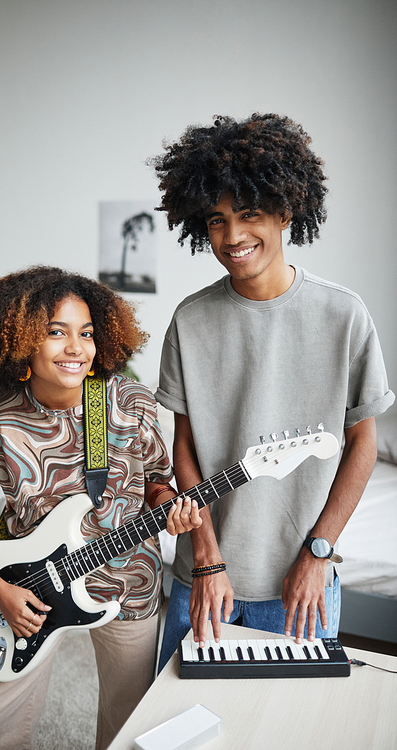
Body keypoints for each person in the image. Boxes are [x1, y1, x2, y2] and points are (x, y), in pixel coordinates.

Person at [150, 113, 395, 672]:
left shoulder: (344, 315)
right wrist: (208, 558)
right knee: (171, 719)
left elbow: (361, 445)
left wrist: (319, 552)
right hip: (205, 578)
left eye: (250, 214)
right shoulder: (190, 320)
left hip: (302, 580)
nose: (233, 237)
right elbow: (184, 449)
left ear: (286, 211)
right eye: (216, 220)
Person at [0, 265, 201, 750]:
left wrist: (172, 508)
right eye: (55, 333)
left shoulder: (127, 402)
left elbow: (158, 485)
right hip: (29, 588)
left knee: (129, 725)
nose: (76, 348)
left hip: (128, 583)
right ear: (20, 341)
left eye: (85, 333)